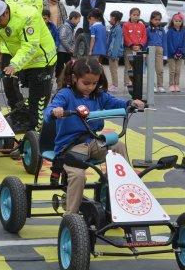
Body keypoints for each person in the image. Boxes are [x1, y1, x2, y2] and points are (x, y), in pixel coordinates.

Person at [44, 57, 144, 214]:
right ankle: (71, 217)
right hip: (69, 147)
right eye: (86, 83)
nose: (90, 87)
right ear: (74, 78)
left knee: (118, 146)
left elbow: (117, 103)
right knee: (78, 175)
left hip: (92, 142)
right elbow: (49, 110)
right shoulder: (65, 95)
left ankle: (124, 193)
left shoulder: (99, 95)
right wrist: (54, 112)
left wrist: (130, 104)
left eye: (94, 83)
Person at [0, 0, 57, 133]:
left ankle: (34, 134)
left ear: (6, 13)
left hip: (42, 61)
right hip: (24, 63)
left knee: (37, 101)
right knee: (20, 95)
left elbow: (30, 46)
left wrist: (14, 65)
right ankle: (22, 122)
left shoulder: (28, 16)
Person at [0, 0, 43, 110]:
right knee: (8, 83)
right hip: (9, 45)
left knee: (23, 83)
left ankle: (24, 114)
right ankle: (16, 112)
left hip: (23, 46)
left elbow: (32, 22)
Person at [122, 7, 147, 86]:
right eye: (134, 15)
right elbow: (125, 36)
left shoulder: (142, 26)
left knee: (138, 66)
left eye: (137, 15)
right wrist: (131, 45)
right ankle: (127, 81)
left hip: (138, 49)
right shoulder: (126, 25)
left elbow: (144, 36)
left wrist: (140, 45)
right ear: (130, 15)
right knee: (128, 65)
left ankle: (136, 81)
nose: (136, 16)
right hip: (129, 48)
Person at [56, 11, 81, 85]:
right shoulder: (65, 27)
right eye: (78, 20)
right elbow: (62, 38)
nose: (78, 22)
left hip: (66, 51)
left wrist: (72, 48)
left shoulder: (71, 27)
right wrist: (69, 48)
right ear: (73, 18)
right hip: (62, 51)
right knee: (60, 68)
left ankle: (66, 81)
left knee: (69, 67)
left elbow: (72, 40)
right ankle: (59, 82)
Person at [146, 10, 168, 93]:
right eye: (155, 19)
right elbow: (145, 41)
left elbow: (164, 42)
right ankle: (152, 85)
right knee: (151, 69)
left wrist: (165, 54)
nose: (157, 21)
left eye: (159, 19)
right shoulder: (148, 29)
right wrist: (145, 52)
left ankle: (160, 85)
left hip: (159, 50)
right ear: (151, 20)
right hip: (150, 50)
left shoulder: (161, 30)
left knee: (160, 69)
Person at [166, 12, 185, 93]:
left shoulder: (183, 32)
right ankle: (171, 84)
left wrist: (182, 52)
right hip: (172, 54)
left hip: (180, 54)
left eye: (179, 21)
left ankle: (176, 84)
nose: (178, 23)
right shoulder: (170, 31)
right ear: (173, 22)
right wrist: (174, 52)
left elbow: (184, 42)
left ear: (182, 22)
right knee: (172, 70)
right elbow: (169, 42)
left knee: (178, 70)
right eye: (176, 21)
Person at [105, 10, 124, 92]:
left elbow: (116, 43)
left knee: (113, 70)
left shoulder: (118, 29)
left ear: (114, 18)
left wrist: (114, 55)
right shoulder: (114, 28)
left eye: (111, 17)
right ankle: (113, 84)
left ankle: (115, 85)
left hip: (114, 54)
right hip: (111, 53)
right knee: (112, 69)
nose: (110, 19)